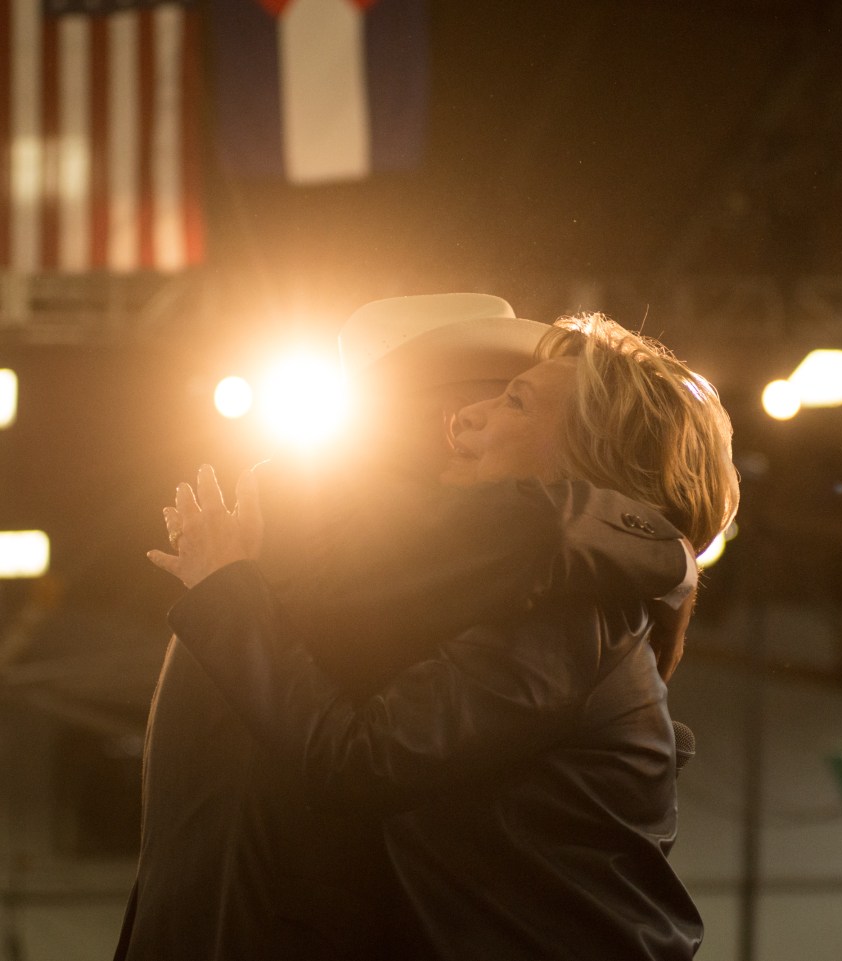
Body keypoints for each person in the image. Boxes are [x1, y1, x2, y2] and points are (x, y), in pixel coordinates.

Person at [116, 296, 698, 960]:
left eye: (509, 399)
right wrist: (666, 553)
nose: (467, 420)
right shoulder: (367, 564)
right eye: (489, 393)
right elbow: (355, 762)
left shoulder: (278, 555)